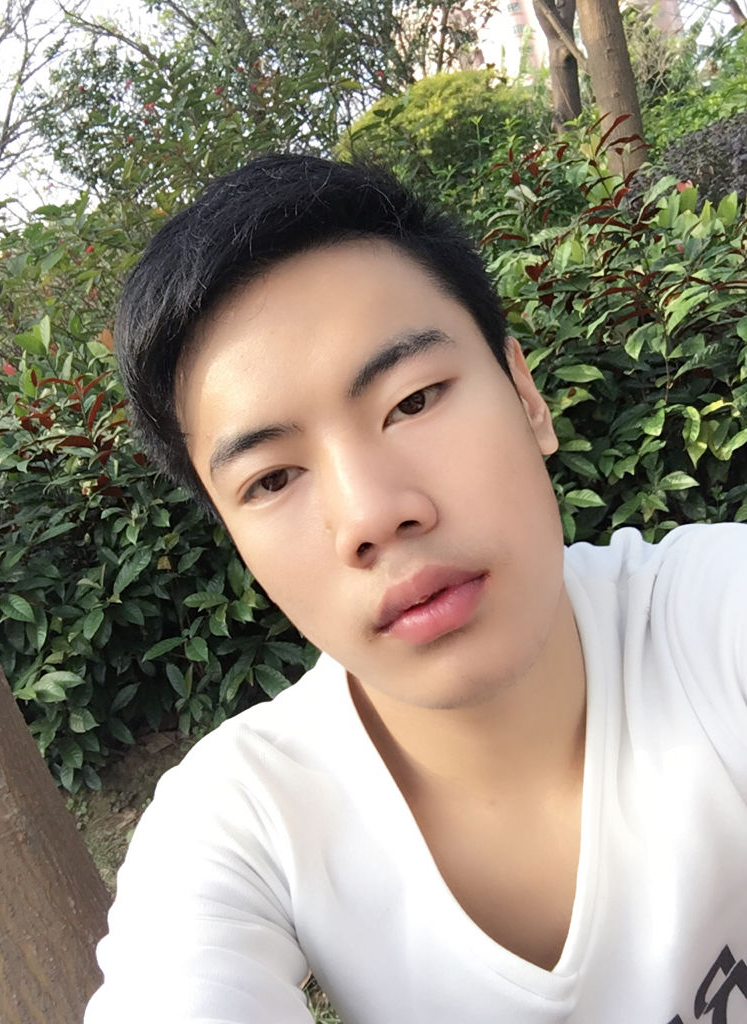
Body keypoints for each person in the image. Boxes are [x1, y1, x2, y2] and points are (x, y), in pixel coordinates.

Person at [84, 155, 747, 1024]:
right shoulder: (242, 824)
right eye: (272, 479)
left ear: (526, 396)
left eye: (414, 400)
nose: (371, 514)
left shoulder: (712, 617)